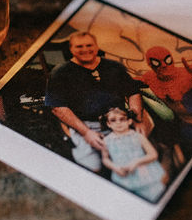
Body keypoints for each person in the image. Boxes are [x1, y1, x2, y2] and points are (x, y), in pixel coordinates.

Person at [44, 31, 150, 172]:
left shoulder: (114, 67)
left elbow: (133, 92)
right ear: (71, 49)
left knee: (136, 164)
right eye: (79, 46)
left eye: (89, 45)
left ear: (96, 46)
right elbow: (57, 107)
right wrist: (86, 132)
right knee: (94, 167)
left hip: (119, 121)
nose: (85, 49)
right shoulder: (60, 73)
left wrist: (136, 118)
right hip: (86, 126)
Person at [99, 106, 167, 202]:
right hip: (123, 175)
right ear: (108, 124)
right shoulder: (107, 141)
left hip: (144, 174)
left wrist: (136, 162)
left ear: (129, 121)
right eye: (113, 120)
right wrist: (115, 168)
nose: (118, 123)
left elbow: (153, 154)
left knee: (155, 196)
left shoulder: (137, 136)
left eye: (122, 119)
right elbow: (105, 159)